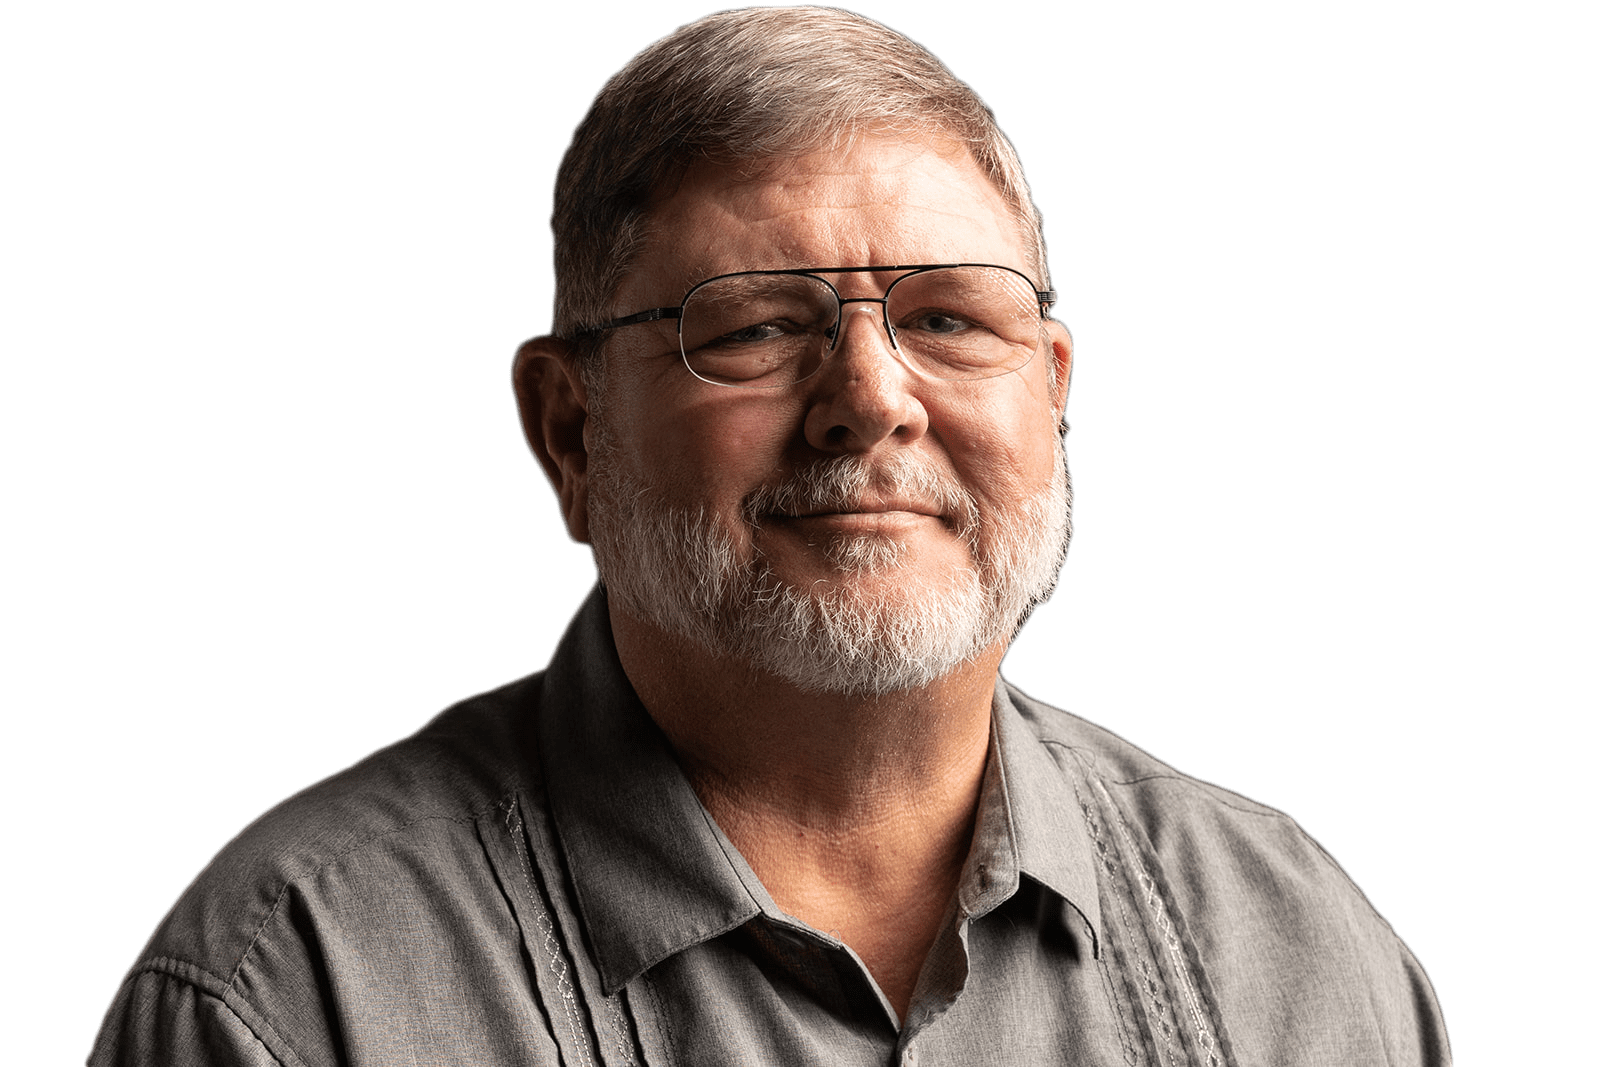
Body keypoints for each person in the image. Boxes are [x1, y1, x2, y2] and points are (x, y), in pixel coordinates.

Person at [89, 7, 1449, 1065]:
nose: (868, 400)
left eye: (948, 319)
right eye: (753, 327)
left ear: (1052, 393)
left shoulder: (1296, 957)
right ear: (569, 432)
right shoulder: (291, 994)